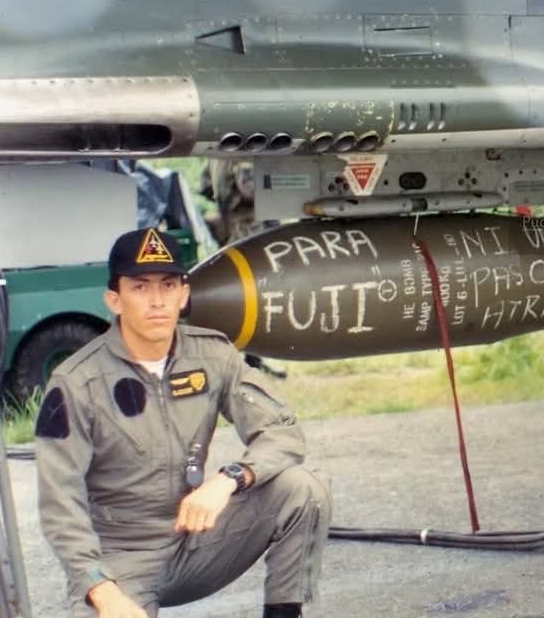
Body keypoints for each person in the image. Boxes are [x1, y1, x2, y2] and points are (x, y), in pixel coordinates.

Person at [35, 227, 332, 618]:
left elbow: (282, 432)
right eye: (140, 287)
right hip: (123, 562)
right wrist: (101, 590)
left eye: (168, 285)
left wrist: (230, 478)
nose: (157, 301)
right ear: (114, 299)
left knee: (302, 489)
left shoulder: (212, 355)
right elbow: (60, 505)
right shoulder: (76, 382)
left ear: (184, 294)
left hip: (199, 541)